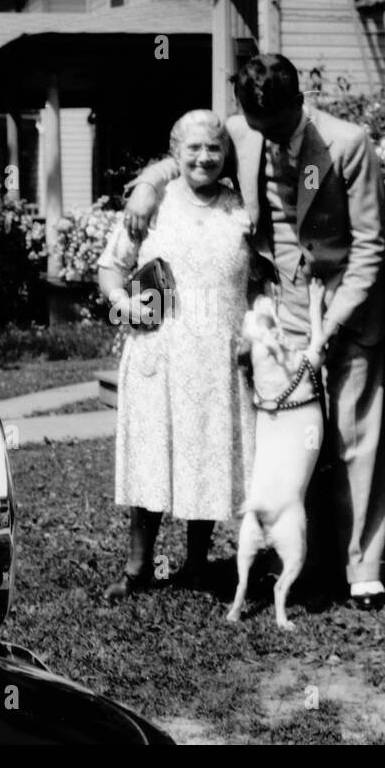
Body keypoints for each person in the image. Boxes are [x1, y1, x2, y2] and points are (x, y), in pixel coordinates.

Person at [123, 54, 385, 610]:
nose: (265, 135)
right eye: (256, 125)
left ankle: (362, 567)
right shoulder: (244, 131)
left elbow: (370, 247)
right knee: (296, 438)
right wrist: (146, 185)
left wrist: (330, 328)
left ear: (298, 102)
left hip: (347, 304)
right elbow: (187, 153)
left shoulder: (348, 142)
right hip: (284, 305)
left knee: (351, 436)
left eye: (277, 125)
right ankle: (305, 558)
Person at [97, 110, 254, 601]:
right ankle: (137, 568)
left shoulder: (241, 209)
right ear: (175, 152)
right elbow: (111, 266)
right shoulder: (153, 204)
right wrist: (124, 304)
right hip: (159, 353)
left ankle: (198, 567)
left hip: (217, 356)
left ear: (225, 153)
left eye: (214, 148)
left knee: (205, 457)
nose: (204, 157)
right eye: (193, 148)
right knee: (152, 457)